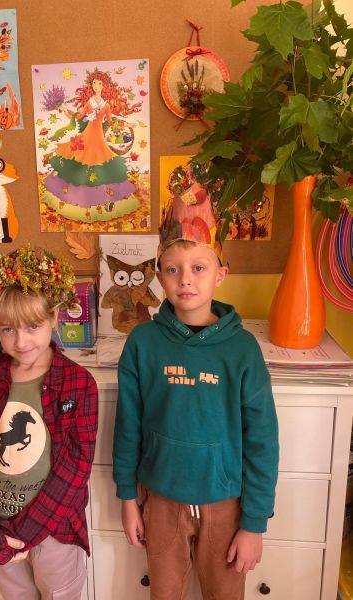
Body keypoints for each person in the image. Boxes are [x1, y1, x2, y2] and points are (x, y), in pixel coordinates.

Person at [113, 183, 279, 600]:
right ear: (159, 275)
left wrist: (254, 524)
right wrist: (128, 497)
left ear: (220, 274)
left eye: (199, 268)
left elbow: (262, 441)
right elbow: (128, 425)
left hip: (225, 506)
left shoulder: (243, 350)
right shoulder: (142, 343)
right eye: (173, 269)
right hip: (160, 502)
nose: (185, 279)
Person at [0, 245, 98, 600]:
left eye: (33, 326)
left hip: (54, 531)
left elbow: (76, 466)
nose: (21, 342)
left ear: (54, 318)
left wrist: (28, 531)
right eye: (8, 330)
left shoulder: (78, 383)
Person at [44, 68, 142, 222]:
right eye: (94, 83)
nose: (96, 86)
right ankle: (82, 201)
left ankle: (107, 201)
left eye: (99, 83)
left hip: (99, 138)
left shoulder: (106, 105)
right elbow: (79, 116)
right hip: (87, 136)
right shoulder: (89, 102)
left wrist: (126, 124)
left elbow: (110, 122)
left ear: (104, 86)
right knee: (83, 163)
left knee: (103, 164)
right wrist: (64, 110)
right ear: (91, 85)